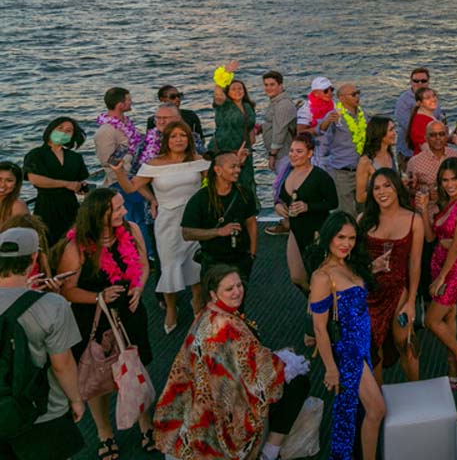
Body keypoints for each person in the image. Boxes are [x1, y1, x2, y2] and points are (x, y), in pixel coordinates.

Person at [154, 265, 311, 460]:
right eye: (229, 289)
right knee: (299, 382)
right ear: (213, 293)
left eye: (239, 285)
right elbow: (261, 374)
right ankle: (270, 452)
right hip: (224, 413)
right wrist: (283, 362)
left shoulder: (206, 315)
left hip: (198, 406)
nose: (237, 291)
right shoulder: (227, 326)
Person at [57, 188, 154, 457]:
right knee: (98, 377)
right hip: (94, 320)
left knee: (137, 370)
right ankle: (104, 432)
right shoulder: (76, 246)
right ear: (99, 213)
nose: (124, 212)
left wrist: (139, 287)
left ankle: (146, 424)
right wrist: (99, 296)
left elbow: (144, 265)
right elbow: (68, 290)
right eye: (117, 208)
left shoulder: (132, 230)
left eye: (122, 206)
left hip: (130, 313)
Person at [110, 120, 208, 333]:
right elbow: (130, 187)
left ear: (189, 139)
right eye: (174, 136)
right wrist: (119, 172)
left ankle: (197, 303)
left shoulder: (198, 161)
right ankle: (171, 308)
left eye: (183, 135)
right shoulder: (153, 164)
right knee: (169, 264)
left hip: (193, 220)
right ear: (167, 140)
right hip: (167, 222)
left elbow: (216, 182)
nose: (179, 139)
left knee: (196, 264)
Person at [0, 226, 86, 460]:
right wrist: (76, 400)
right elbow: (62, 364)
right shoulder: (52, 305)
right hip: (42, 410)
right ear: (34, 257)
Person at [308, 213, 384, 460]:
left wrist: (376, 266)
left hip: (363, 344)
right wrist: (330, 368)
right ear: (329, 236)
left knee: (357, 411)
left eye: (351, 238)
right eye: (341, 237)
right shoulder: (322, 277)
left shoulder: (350, 263)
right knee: (375, 409)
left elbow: (355, 286)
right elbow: (320, 328)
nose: (346, 243)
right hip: (349, 351)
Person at [419, 158, 457, 388]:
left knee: (432, 320)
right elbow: (431, 238)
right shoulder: (447, 204)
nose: (450, 183)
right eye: (445, 180)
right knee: (448, 314)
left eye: (454, 179)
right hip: (440, 262)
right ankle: (451, 362)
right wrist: (424, 210)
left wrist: (442, 276)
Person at [360, 169, 422, 383]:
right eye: (376, 188)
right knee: (372, 350)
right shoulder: (364, 220)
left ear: (396, 187)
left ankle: (417, 393)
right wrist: (369, 265)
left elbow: (414, 263)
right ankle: (378, 403)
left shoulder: (414, 220)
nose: (382, 192)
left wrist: (412, 301)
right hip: (368, 294)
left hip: (398, 292)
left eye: (387, 185)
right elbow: (352, 262)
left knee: (405, 343)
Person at [181, 152, 258, 283]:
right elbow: (187, 233)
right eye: (233, 167)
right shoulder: (201, 199)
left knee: (238, 298)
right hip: (213, 260)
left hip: (241, 258)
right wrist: (218, 232)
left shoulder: (244, 194)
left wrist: (252, 253)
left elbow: (251, 223)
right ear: (218, 170)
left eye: (239, 166)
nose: (237, 170)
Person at [276, 135, 338, 291]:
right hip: (295, 230)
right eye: (291, 151)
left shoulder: (319, 176)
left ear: (310, 153)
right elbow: (280, 198)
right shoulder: (286, 173)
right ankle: (313, 301)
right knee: (297, 276)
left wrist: (307, 206)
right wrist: (278, 206)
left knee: (319, 273)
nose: (293, 155)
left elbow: (333, 203)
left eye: (299, 151)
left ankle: (324, 308)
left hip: (316, 229)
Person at [94, 87, 151, 248]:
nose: (131, 101)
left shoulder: (126, 124)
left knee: (144, 216)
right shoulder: (106, 131)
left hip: (137, 177)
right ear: (120, 104)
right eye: (128, 99)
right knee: (135, 219)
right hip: (121, 181)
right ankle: (143, 252)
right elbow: (107, 161)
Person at [23, 117, 89, 245]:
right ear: (50, 130)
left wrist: (81, 187)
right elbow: (35, 180)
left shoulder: (75, 157)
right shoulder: (36, 154)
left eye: (69, 130)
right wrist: (66, 184)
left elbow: (80, 181)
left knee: (74, 243)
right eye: (60, 128)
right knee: (47, 243)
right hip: (46, 206)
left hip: (71, 206)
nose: (64, 132)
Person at [211, 64, 259, 202]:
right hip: (225, 151)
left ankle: (249, 216)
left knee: (246, 183)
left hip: (244, 152)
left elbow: (250, 129)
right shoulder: (223, 105)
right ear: (228, 91)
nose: (237, 91)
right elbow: (218, 93)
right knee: (227, 184)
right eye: (233, 88)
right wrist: (225, 73)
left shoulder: (248, 106)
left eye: (240, 88)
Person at [318, 83, 367, 215]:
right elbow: (320, 132)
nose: (357, 97)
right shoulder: (334, 115)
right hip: (342, 172)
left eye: (358, 93)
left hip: (362, 171)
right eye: (353, 94)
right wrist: (326, 122)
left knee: (365, 211)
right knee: (347, 212)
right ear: (342, 98)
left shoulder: (363, 114)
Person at [393, 67, 443, 166]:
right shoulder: (403, 101)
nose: (419, 83)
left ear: (428, 82)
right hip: (408, 153)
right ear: (411, 82)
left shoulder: (432, 100)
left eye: (423, 81)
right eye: (416, 81)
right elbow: (410, 128)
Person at [406, 120, 457, 196]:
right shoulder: (415, 162)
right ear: (426, 138)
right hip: (430, 205)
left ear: (446, 136)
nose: (438, 138)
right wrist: (426, 193)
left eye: (441, 134)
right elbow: (408, 189)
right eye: (433, 135)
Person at [260, 71, 297, 181]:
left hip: (284, 156)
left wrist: (272, 156)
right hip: (280, 155)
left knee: (285, 187)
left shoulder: (283, 105)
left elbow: (279, 133)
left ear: (280, 85)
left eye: (272, 84)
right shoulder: (275, 102)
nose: (268, 88)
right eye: (266, 85)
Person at [145, 85, 205, 149]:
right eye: (173, 97)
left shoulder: (191, 115)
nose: (177, 99)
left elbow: (201, 138)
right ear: (162, 99)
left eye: (179, 96)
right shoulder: (153, 120)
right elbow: (150, 142)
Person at [355, 117, 397, 206]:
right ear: (380, 133)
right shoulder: (366, 161)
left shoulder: (390, 155)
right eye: (391, 130)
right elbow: (360, 197)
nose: (394, 133)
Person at [406, 86, 441, 155]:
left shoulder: (428, 117)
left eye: (434, 96)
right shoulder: (420, 122)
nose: (433, 99)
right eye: (428, 98)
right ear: (420, 103)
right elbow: (427, 151)